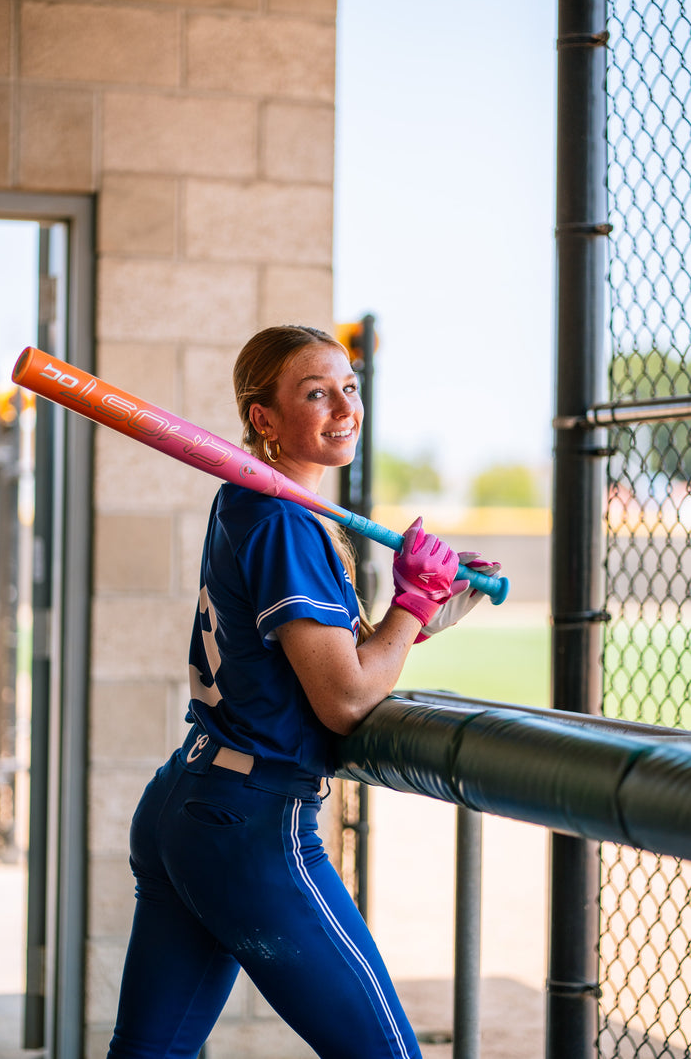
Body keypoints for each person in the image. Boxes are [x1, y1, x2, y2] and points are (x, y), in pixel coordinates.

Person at [106, 324, 498, 1059]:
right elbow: (344, 700)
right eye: (316, 393)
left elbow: (317, 661)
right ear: (264, 417)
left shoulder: (252, 500)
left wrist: (421, 612)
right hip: (251, 822)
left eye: (349, 387)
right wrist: (412, 602)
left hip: (191, 799)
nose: (344, 407)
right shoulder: (285, 518)